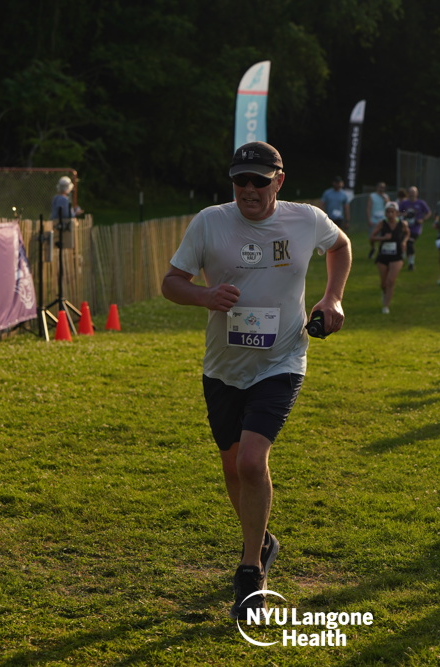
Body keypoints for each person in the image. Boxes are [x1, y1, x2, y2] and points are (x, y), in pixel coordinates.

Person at [161, 141, 351, 622]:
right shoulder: (210, 222)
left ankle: (250, 573)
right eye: (240, 180)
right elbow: (171, 282)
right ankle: (261, 540)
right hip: (223, 367)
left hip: (282, 360)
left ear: (278, 181)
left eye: (259, 181)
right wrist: (205, 296)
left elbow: (341, 246)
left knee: (251, 460)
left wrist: (332, 298)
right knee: (232, 468)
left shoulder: (305, 219)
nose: (248, 189)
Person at [371, 200, 409, 313]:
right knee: (383, 283)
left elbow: (407, 233)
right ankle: (384, 293)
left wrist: (404, 242)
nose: (390, 214)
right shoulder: (382, 223)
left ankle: (386, 306)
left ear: (397, 212)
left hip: (397, 256)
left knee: (390, 281)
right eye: (388, 212)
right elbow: (372, 237)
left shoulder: (402, 224)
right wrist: (383, 238)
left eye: (392, 212)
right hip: (383, 256)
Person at [399, 186, 431, 271]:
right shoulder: (404, 203)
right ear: (408, 193)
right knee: (403, 243)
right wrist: (404, 214)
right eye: (410, 192)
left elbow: (428, 212)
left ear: (417, 193)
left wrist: (422, 219)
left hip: (415, 228)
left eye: (413, 192)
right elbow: (399, 211)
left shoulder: (420, 203)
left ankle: (411, 263)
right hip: (405, 227)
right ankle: (403, 258)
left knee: (410, 243)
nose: (412, 194)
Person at [367, 182, 390, 258]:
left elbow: (389, 206)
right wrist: (369, 219)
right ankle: (373, 248)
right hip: (374, 219)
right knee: (372, 237)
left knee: (382, 237)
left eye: (383, 187)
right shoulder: (372, 196)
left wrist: (385, 200)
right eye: (380, 187)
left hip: (383, 220)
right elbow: (368, 208)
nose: (381, 189)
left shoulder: (386, 196)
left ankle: (380, 252)